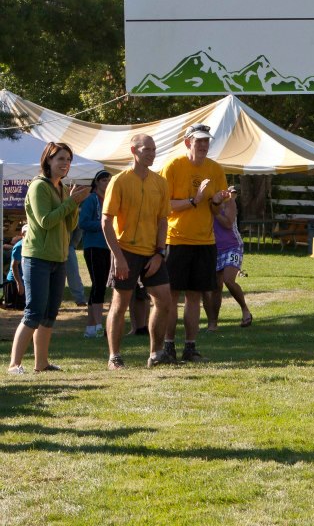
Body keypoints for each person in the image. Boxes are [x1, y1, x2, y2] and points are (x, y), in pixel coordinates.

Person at [8, 142, 90, 375]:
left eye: (68, 160)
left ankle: (41, 364)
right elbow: (45, 221)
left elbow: (70, 224)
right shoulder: (38, 187)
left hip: (59, 257)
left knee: (50, 313)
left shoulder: (63, 188)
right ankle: (14, 364)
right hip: (37, 257)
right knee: (34, 312)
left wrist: (74, 206)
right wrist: (70, 203)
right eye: (60, 159)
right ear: (48, 160)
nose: (65, 164)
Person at [102, 134, 177, 369]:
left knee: (164, 300)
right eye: (147, 149)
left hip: (152, 253)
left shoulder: (160, 182)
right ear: (134, 150)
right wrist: (118, 257)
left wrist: (159, 252)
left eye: (154, 150)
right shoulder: (119, 181)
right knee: (120, 304)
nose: (152, 153)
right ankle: (114, 357)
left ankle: (156, 354)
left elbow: (163, 220)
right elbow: (106, 221)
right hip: (125, 251)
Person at [160, 124, 229, 363]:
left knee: (194, 297)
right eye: (198, 141)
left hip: (204, 241)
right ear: (188, 142)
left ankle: (190, 347)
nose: (203, 145)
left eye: (206, 141)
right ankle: (168, 347)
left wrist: (218, 201)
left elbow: (213, 208)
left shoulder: (215, 169)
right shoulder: (173, 166)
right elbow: (164, 205)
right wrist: (193, 200)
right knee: (171, 296)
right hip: (176, 240)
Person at [203, 186, 253, 330]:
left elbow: (228, 223)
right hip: (212, 247)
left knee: (228, 280)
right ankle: (213, 323)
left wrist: (215, 210)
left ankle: (245, 309)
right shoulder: (204, 199)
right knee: (215, 288)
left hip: (232, 245)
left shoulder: (229, 200)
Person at [79, 170, 112, 338]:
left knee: (100, 285)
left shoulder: (110, 200)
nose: (107, 183)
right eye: (104, 180)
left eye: (109, 180)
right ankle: (98, 325)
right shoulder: (91, 199)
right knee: (98, 284)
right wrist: (103, 225)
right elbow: (83, 222)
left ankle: (91, 327)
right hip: (93, 246)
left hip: (108, 247)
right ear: (97, 182)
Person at [4, 224, 28, 310]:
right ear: (22, 234)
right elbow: (14, 266)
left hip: (24, 281)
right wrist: (19, 283)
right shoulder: (19, 246)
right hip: (14, 282)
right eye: (26, 232)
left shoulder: (32, 244)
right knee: (17, 308)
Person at [65, 225, 87, 306]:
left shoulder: (73, 212)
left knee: (73, 274)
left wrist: (73, 245)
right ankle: (52, 301)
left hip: (68, 246)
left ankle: (80, 299)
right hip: (52, 247)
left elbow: (79, 228)